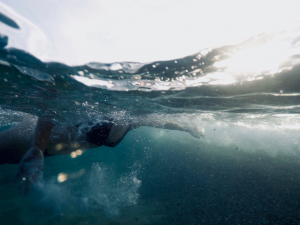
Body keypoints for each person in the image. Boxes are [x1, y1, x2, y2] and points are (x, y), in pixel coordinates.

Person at [0, 114, 204, 193]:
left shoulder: (130, 118)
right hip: (38, 139)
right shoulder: (104, 106)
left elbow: (157, 120)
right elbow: (50, 111)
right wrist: (36, 147)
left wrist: (188, 128)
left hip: (51, 147)